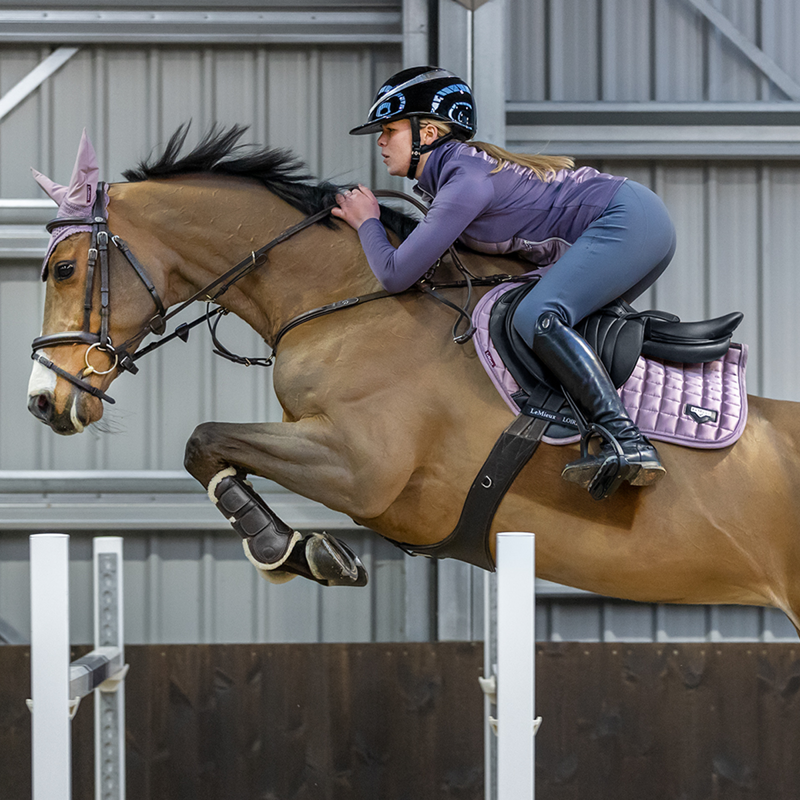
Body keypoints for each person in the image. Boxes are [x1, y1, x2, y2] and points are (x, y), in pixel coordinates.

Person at [332, 66, 676, 500]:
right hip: (637, 219)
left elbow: (397, 274)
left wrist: (368, 223)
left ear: (430, 132)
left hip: (629, 219)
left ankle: (628, 442)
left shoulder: (465, 181)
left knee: (537, 315)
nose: (380, 141)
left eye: (390, 129)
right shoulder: (459, 175)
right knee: (530, 317)